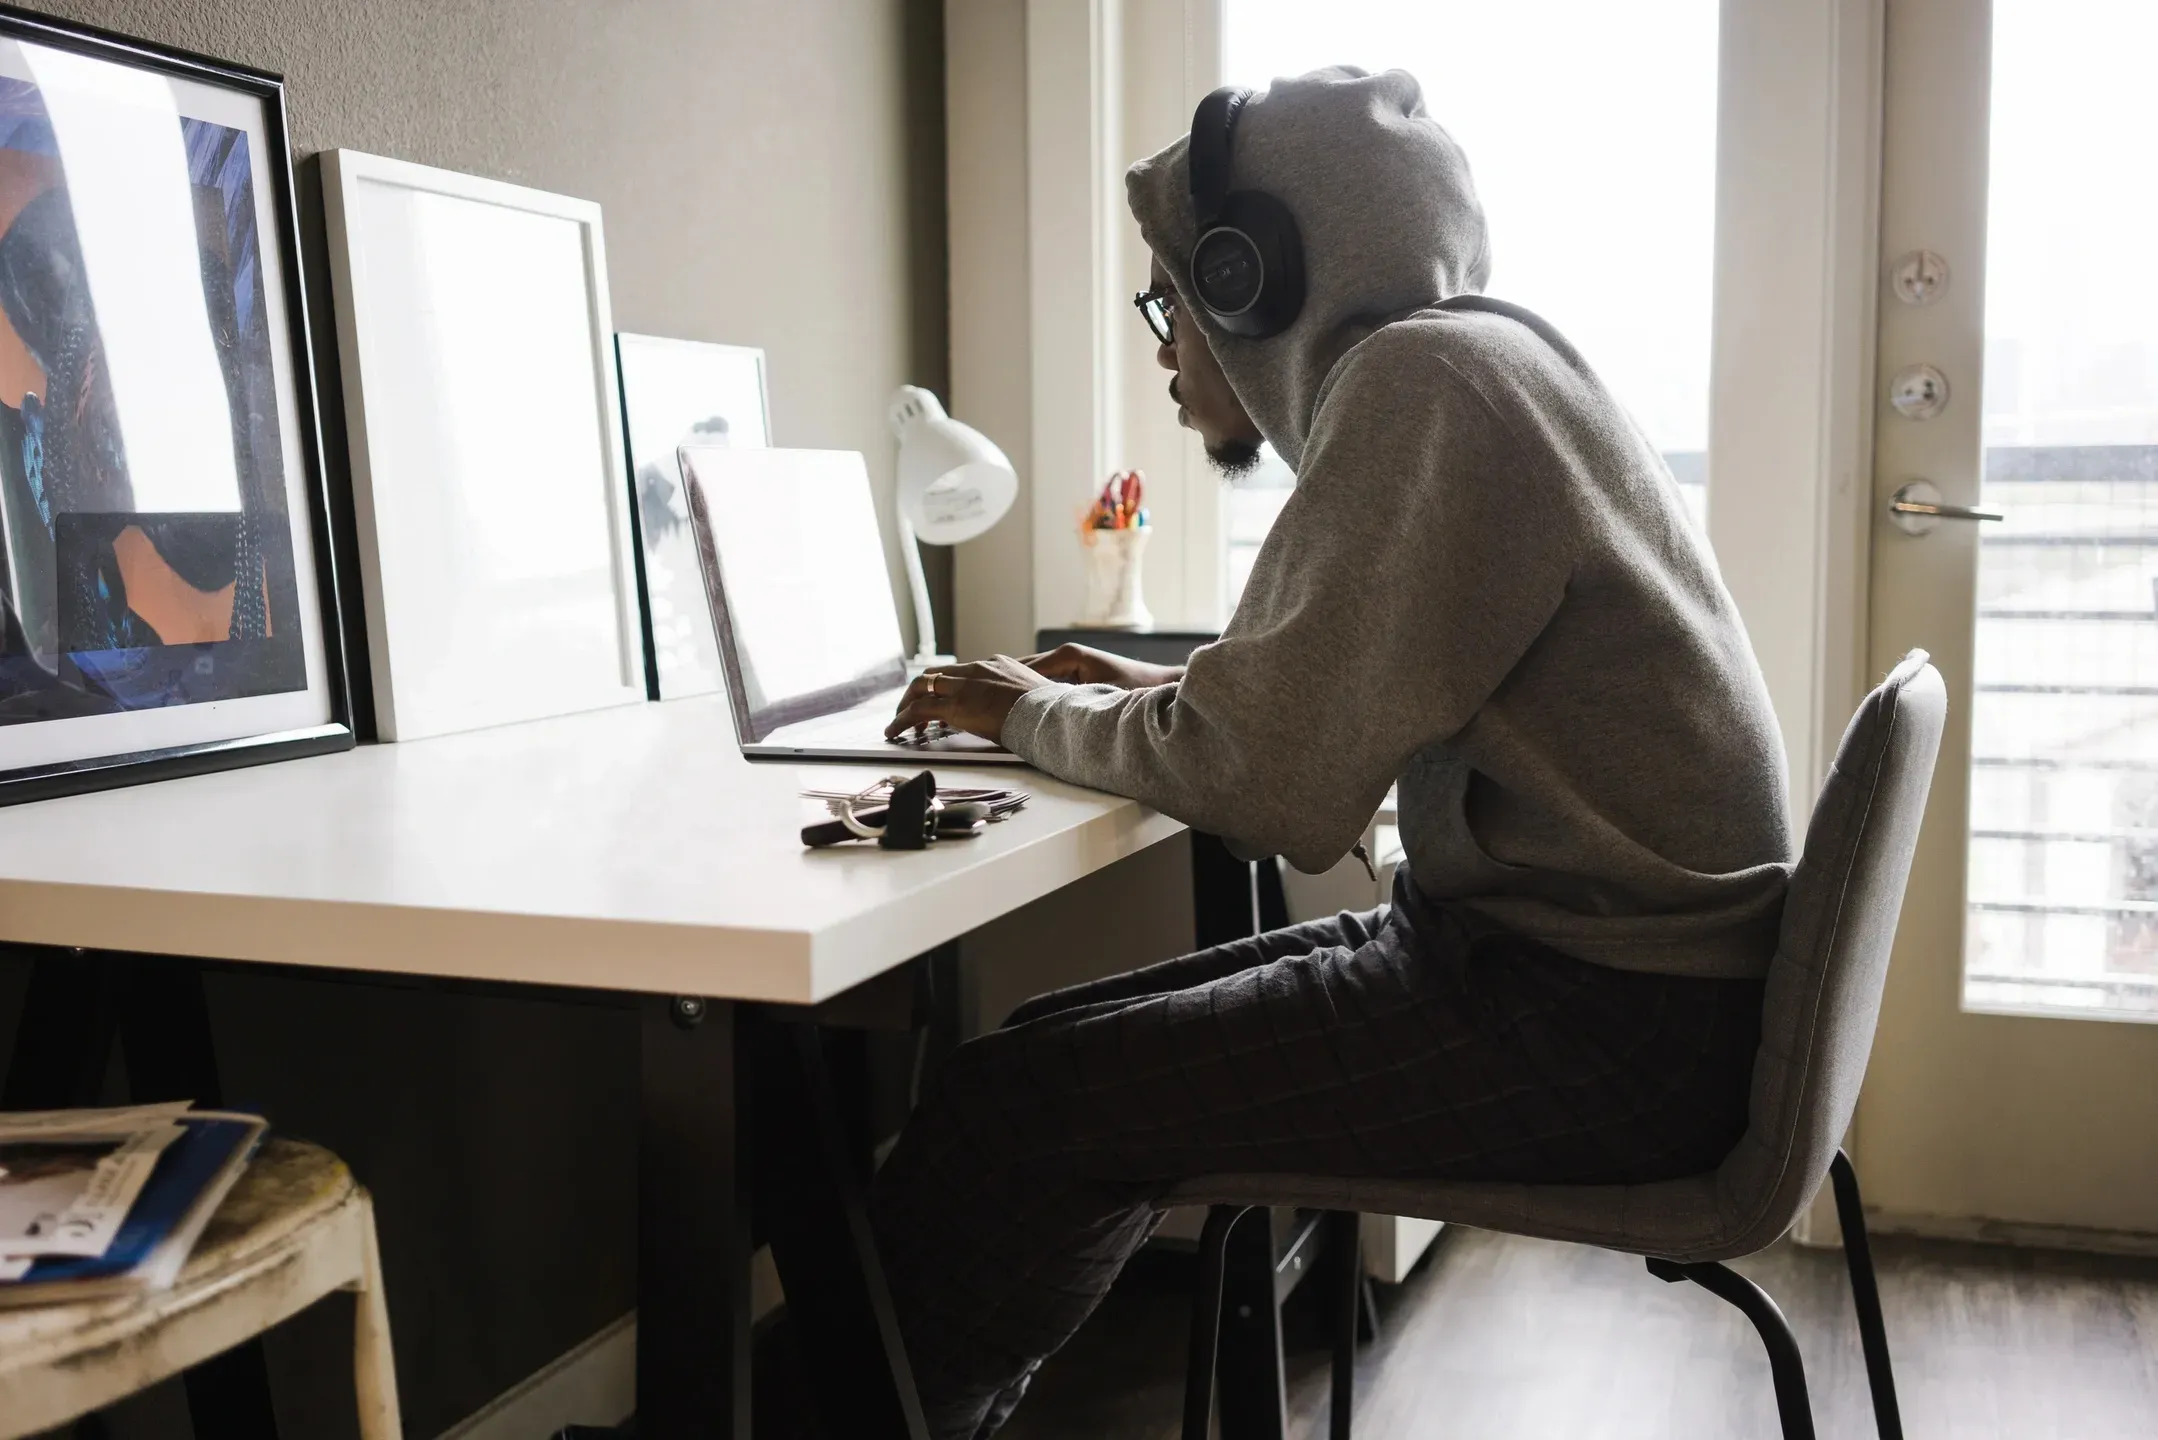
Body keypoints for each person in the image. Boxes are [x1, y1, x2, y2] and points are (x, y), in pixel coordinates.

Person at [873, 66, 1791, 1440]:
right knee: (1028, 1061)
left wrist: (1015, 716)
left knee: (1017, 1116)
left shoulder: (1423, 388)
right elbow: (1348, 698)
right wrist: (1152, 688)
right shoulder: (1488, 360)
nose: (1167, 350)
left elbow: (1266, 787)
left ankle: (886, 1411)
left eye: (1170, 301)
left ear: (1249, 282)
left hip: (1602, 1032)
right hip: (1606, 991)